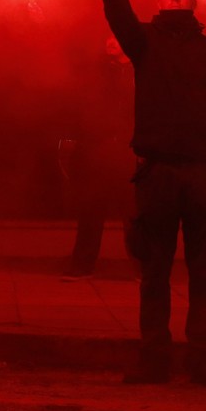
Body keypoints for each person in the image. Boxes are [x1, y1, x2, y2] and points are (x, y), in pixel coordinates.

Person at [87, 0, 206, 388]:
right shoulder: (144, 43)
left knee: (205, 273)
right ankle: (154, 360)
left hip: (203, 174)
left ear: (194, 0)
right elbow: (117, 14)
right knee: (153, 272)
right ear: (159, 0)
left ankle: (204, 362)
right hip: (157, 172)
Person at [58, 35, 134, 281]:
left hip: (129, 150)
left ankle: (143, 267)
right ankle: (82, 265)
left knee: (134, 213)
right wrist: (76, 141)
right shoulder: (98, 72)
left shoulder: (140, 70)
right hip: (97, 150)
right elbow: (80, 106)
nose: (110, 42)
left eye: (116, 36)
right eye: (108, 37)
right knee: (90, 209)